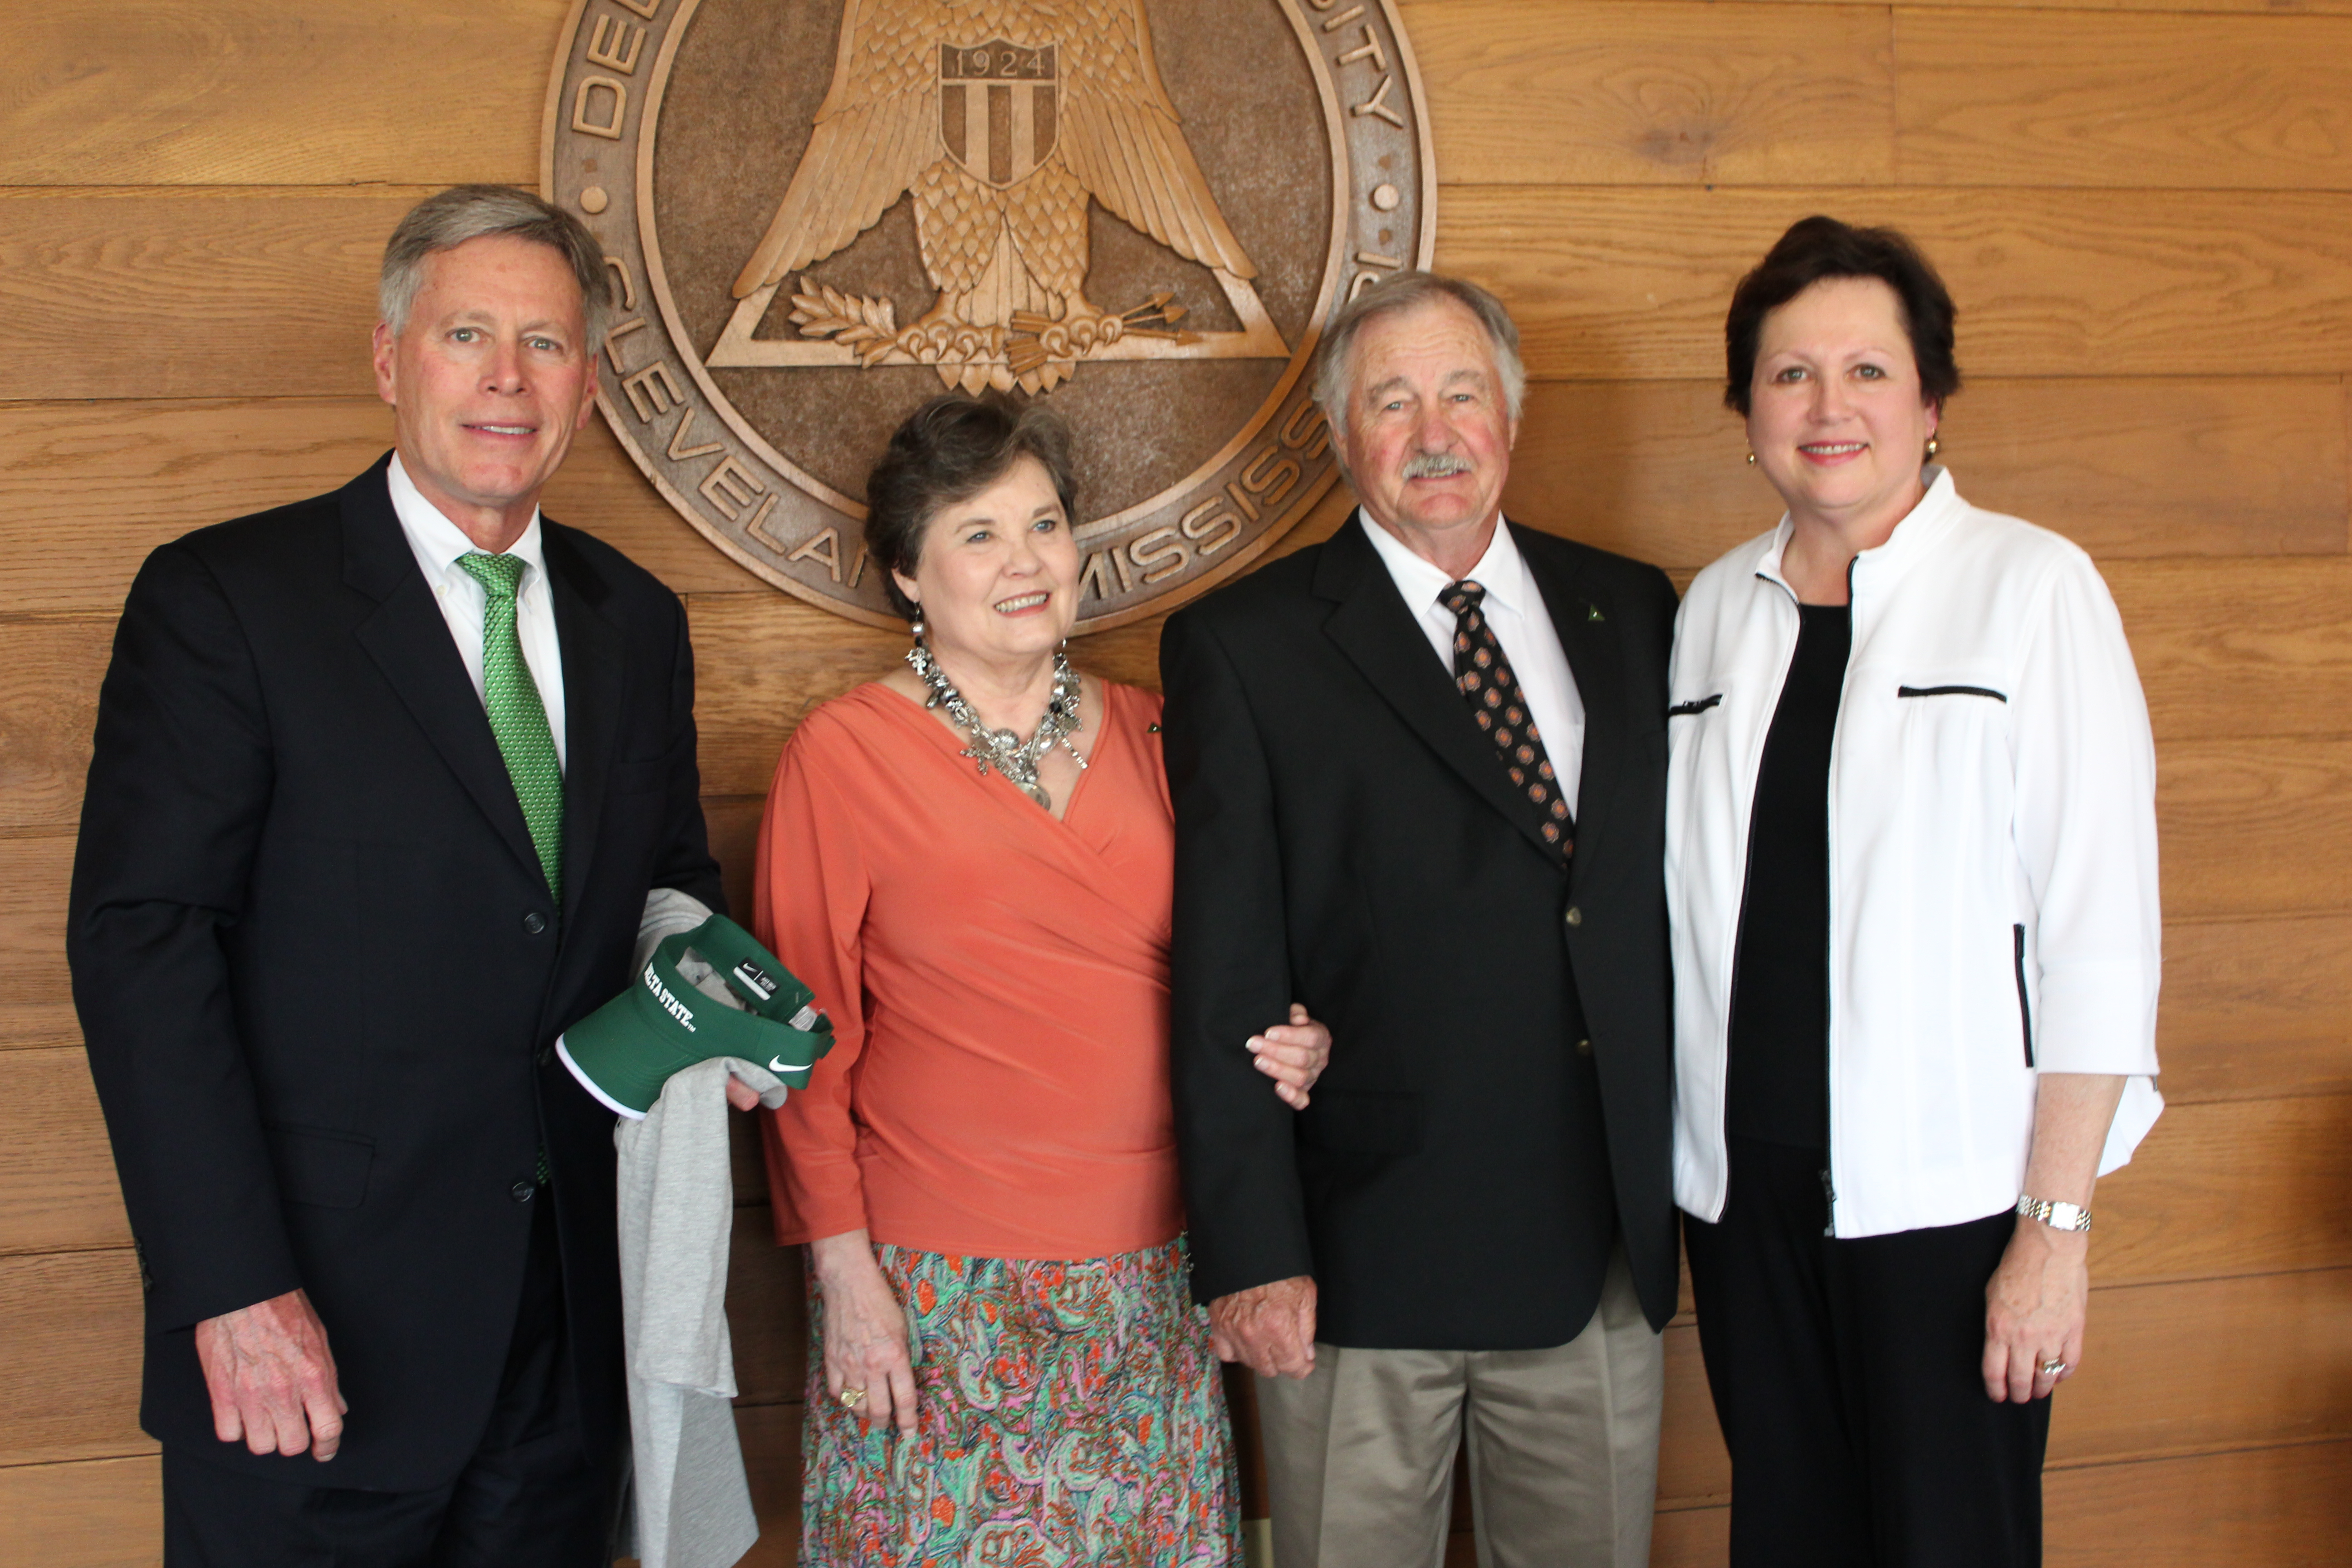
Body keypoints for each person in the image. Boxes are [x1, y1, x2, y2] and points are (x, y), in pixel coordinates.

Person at [68, 185, 726, 1566]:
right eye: (466, 334)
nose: (506, 378)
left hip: (564, 1356)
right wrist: (233, 1290)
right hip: (308, 1351)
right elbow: (145, 949)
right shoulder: (228, 602)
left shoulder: (636, 623)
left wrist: (724, 1004)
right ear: (388, 359)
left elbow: (664, 889)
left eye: (545, 345)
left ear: (587, 387)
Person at [752, 395, 1332, 1568]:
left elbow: (1252, 968)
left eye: (1047, 524)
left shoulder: (1171, 734)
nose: (1026, 563)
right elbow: (800, 1041)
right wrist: (842, 1270)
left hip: (1159, 1276)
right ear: (909, 574)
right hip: (932, 1289)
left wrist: (1299, 1037)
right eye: (978, 532)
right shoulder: (844, 753)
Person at [1160, 271, 1681, 1568]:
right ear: (1341, 435)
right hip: (1358, 1269)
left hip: (1597, 1261)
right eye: (1392, 402)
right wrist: (1254, 1252)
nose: (1433, 432)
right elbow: (1229, 966)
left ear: (1511, 411)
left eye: (1462, 393)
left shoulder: (1637, 611)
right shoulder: (1246, 645)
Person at [1667, 215, 2164, 1566]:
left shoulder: (2034, 589)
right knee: (1786, 1539)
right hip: (1742, 1193)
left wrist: (2053, 1234)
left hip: (1950, 1207)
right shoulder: (1712, 611)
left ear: (1931, 402)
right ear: (1746, 407)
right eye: (1789, 375)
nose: (1829, 409)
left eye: (1868, 372)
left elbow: (2102, 937)